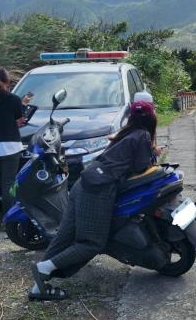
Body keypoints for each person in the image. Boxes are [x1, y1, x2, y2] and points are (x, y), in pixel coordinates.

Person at [29, 99, 159, 300]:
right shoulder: (142, 135)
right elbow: (142, 166)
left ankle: (39, 288)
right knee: (92, 242)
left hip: (83, 184)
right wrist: (153, 153)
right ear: (152, 117)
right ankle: (44, 267)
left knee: (64, 236)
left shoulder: (124, 134)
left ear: (131, 117)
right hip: (98, 189)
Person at [0, 68, 30, 233]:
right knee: (8, 185)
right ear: (7, 81)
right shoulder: (14, 99)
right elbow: (19, 121)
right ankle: (8, 221)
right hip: (9, 146)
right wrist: (23, 108)